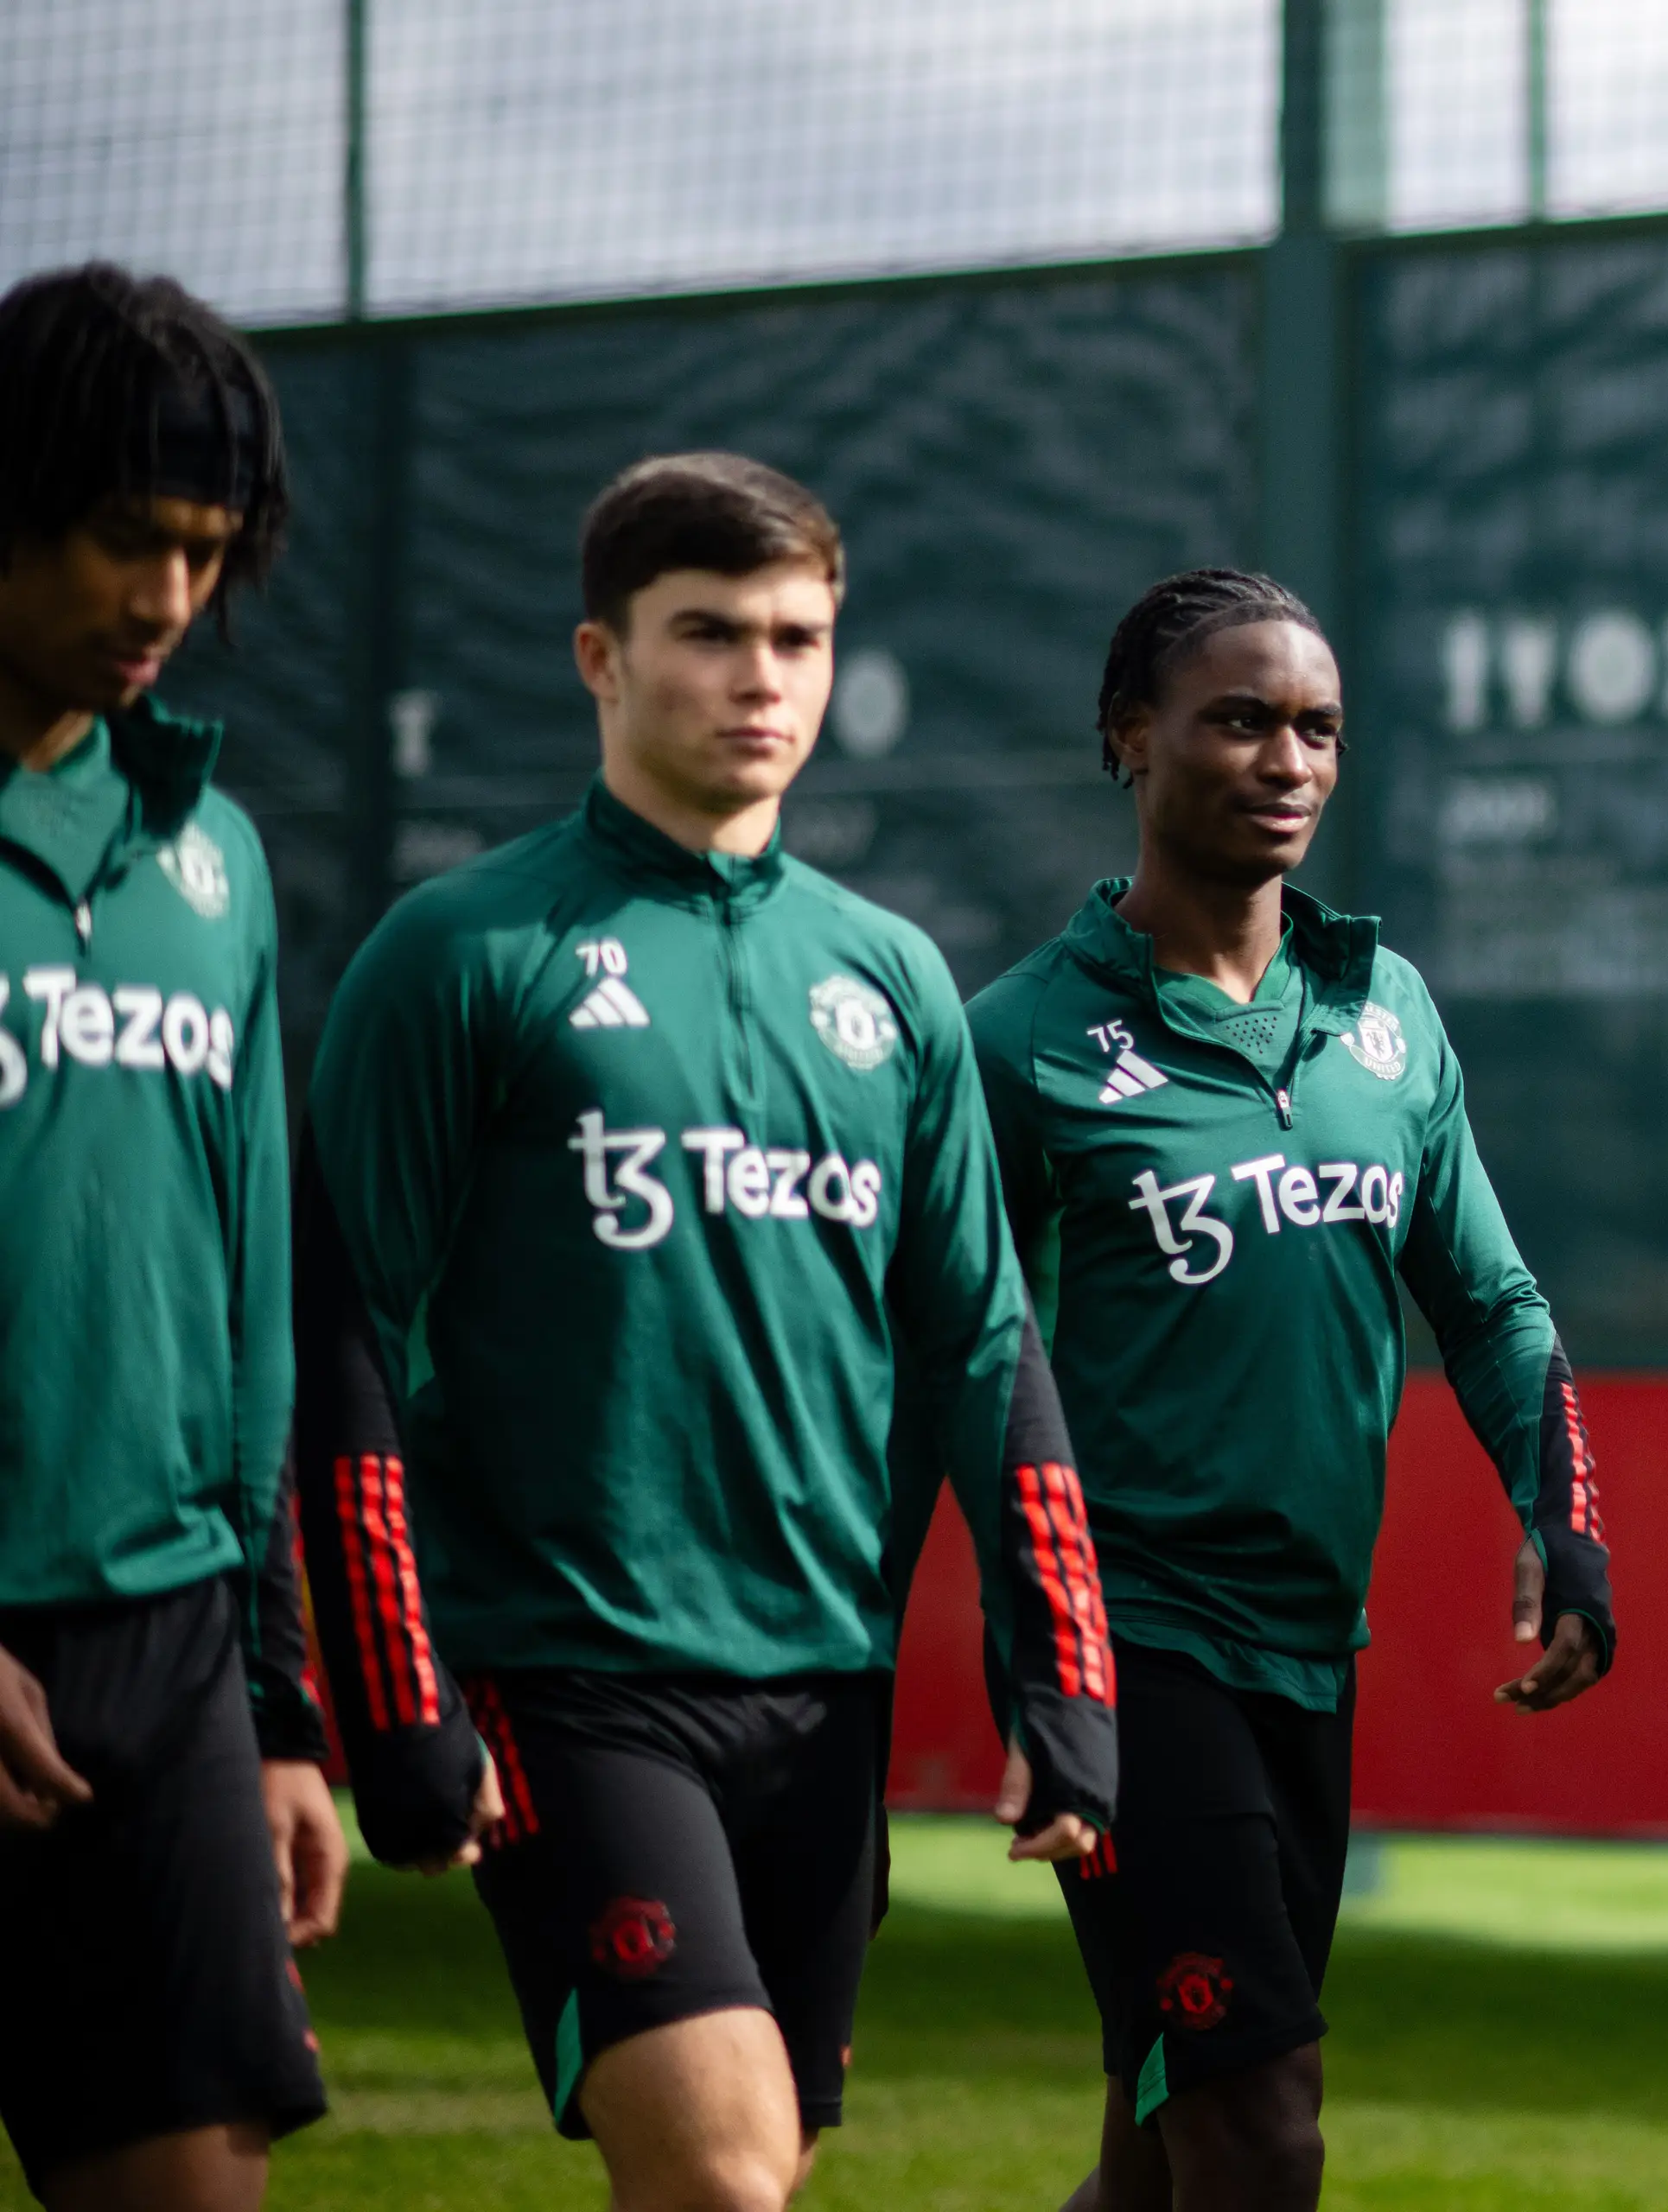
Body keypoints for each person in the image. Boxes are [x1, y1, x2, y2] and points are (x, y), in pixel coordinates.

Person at [293, 451, 1120, 2211]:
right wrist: (391, 1690)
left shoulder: (890, 976)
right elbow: (344, 1324)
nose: (764, 676)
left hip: (824, 1685)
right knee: (729, 2175)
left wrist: (1062, 1670)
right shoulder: (460, 952)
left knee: (743, 2176)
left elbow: (984, 1340)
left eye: (800, 637)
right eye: (712, 633)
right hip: (575, 1673)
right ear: (600, 656)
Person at [971, 569, 1614, 2211]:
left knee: (1160, 2140)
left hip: (1311, 1651)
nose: (1288, 758)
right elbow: (963, 1366)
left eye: (1317, 726)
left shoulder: (1383, 1016)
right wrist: (1036, 1663)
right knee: (1264, 2133)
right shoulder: (1020, 1045)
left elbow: (1492, 1298)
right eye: (1240, 718)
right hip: (1129, 1649)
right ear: (1131, 738)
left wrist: (1566, 1515)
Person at [0, 262, 336, 2212]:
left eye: (205, 552)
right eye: (129, 540)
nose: (166, 603)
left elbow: (250, 1292)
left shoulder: (211, 850)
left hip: (167, 1644)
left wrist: (283, 1706)